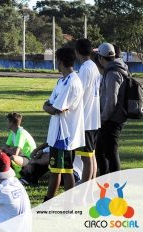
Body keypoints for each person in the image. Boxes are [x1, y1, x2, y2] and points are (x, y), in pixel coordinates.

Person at [43, 47, 85, 201]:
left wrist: (48, 107)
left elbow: (55, 108)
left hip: (64, 135)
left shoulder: (72, 83)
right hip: (56, 134)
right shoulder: (61, 81)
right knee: (55, 170)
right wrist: (49, 106)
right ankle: (48, 200)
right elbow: (50, 103)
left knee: (66, 171)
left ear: (60, 61)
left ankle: (69, 205)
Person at [94, 43, 128, 175]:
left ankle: (115, 186)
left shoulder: (113, 72)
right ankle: (105, 183)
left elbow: (111, 100)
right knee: (101, 152)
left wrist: (102, 119)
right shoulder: (116, 69)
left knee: (111, 153)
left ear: (101, 58)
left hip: (112, 119)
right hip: (113, 118)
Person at [75, 39, 101, 183]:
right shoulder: (94, 66)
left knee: (87, 158)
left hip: (86, 119)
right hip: (93, 118)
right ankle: (92, 184)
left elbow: (78, 92)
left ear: (77, 52)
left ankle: (85, 186)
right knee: (91, 155)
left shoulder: (85, 68)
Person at [1, 112, 36, 177]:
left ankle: (20, 174)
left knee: (13, 158)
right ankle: (6, 171)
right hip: (21, 156)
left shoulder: (21, 133)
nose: (6, 124)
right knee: (0, 154)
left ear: (11, 123)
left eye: (7, 122)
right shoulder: (13, 132)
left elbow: (15, 153)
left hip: (30, 159)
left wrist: (6, 149)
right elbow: (5, 147)